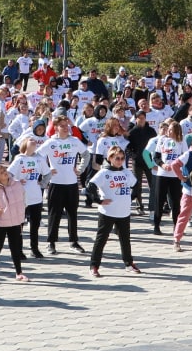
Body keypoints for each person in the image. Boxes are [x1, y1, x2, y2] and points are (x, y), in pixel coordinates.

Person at [87, 146, 141, 277]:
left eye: (122, 158)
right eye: (117, 158)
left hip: (124, 212)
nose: (120, 161)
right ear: (110, 158)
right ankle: (94, 265)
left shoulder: (126, 172)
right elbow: (90, 186)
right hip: (108, 212)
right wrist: (99, 200)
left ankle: (128, 263)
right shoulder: (104, 173)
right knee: (101, 239)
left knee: (125, 238)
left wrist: (131, 197)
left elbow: (136, 185)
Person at [37, 116, 88, 255]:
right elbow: (37, 156)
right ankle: (51, 242)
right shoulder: (50, 142)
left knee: (72, 214)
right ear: (56, 128)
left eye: (67, 125)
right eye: (62, 126)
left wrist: (80, 168)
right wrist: (46, 170)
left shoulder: (74, 141)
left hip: (72, 184)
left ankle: (73, 241)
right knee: (54, 214)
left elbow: (86, 154)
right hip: (55, 184)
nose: (66, 128)